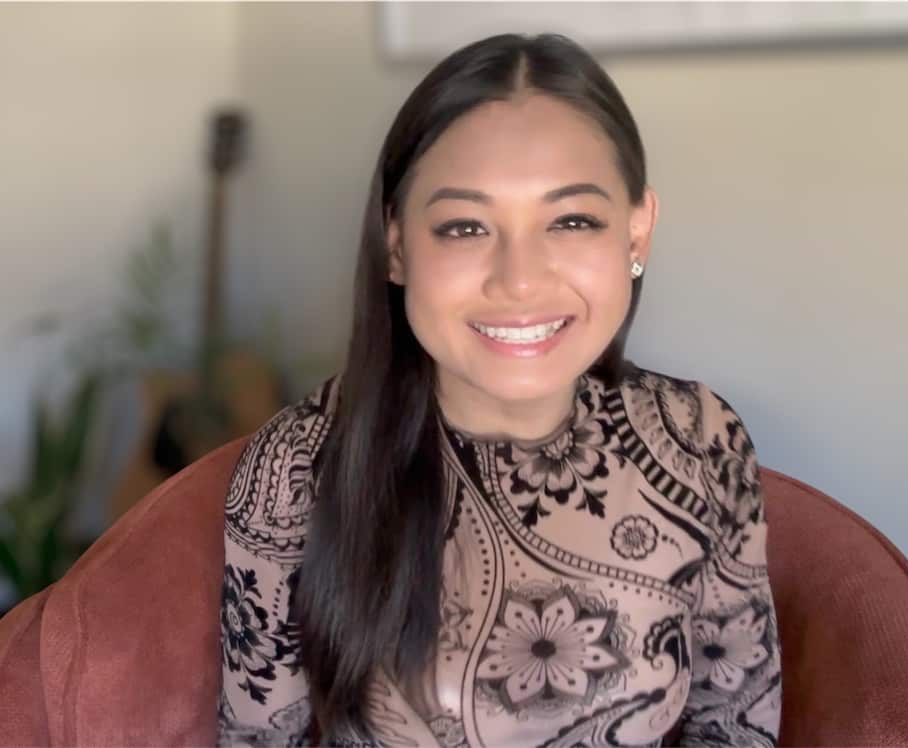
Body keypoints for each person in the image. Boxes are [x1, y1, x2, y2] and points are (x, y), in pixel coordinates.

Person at [219, 33, 781, 747]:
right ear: (397, 248)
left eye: (572, 220)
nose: (519, 280)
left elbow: (735, 729)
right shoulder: (294, 467)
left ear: (636, 233)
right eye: (464, 226)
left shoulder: (700, 437)